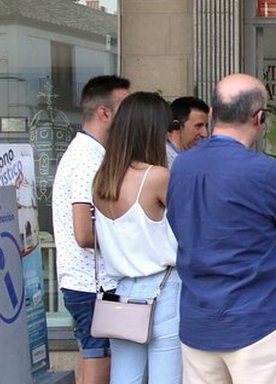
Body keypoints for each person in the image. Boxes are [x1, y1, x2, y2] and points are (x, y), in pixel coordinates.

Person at [167, 73, 276, 384]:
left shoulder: (181, 166)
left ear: (212, 112)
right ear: (260, 118)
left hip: (197, 319)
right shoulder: (264, 170)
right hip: (257, 318)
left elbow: (180, 224)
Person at [88, 92, 181, 383]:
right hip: (164, 287)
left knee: (125, 377)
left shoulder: (103, 178)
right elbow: (189, 229)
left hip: (120, 291)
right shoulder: (157, 177)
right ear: (152, 131)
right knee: (166, 377)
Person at [52, 75, 130, 384]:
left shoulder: (90, 153)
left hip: (87, 283)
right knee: (100, 359)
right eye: (125, 107)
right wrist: (130, 240)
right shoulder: (88, 159)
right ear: (104, 113)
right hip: (90, 284)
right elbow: (84, 233)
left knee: (94, 355)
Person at [166, 96, 210, 167]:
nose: (205, 133)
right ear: (177, 126)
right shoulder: (162, 162)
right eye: (198, 126)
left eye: (206, 126)